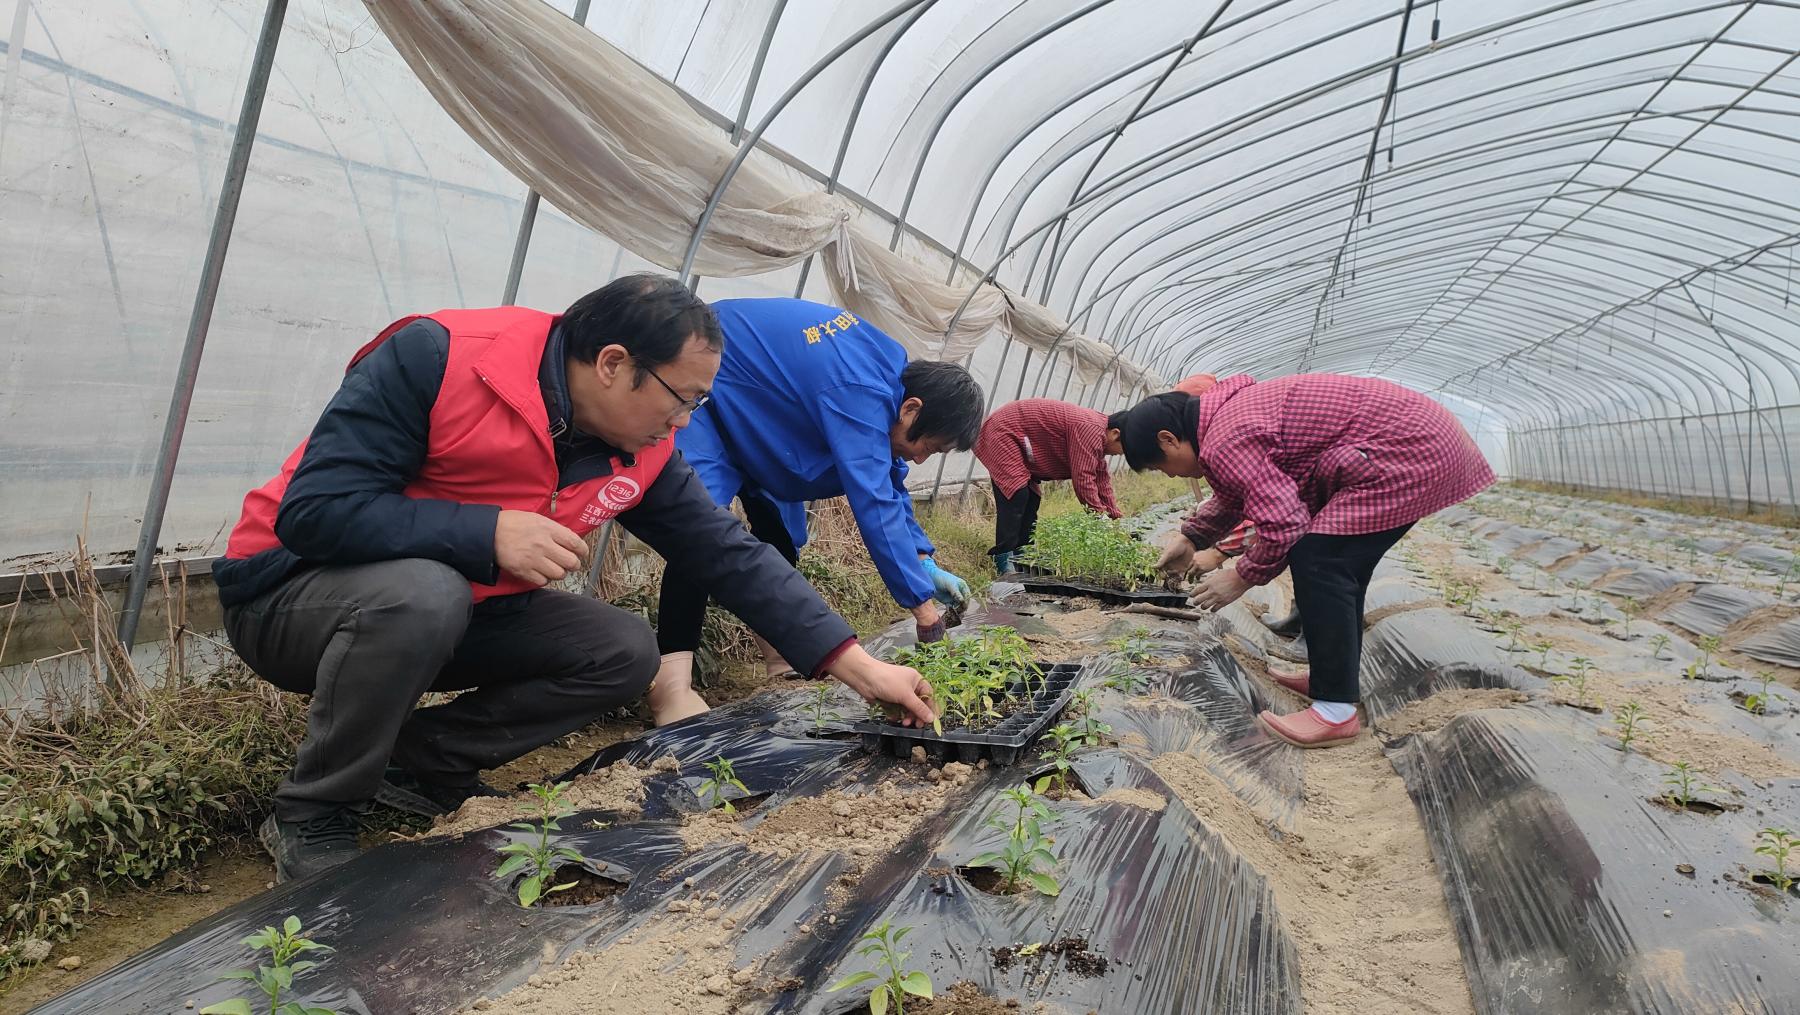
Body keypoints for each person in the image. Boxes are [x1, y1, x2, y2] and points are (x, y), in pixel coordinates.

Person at [213, 275, 937, 882]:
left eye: (699, 404)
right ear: (614, 364)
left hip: (451, 608)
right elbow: (315, 511)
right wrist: (486, 532)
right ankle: (314, 809)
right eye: (681, 397)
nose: (686, 420)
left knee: (622, 650)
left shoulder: (640, 447)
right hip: (291, 593)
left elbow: (727, 553)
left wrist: (858, 665)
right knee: (423, 594)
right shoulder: (440, 358)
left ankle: (417, 762)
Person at [650, 298, 984, 724]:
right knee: (699, 531)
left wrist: (922, 559)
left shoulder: (887, 386)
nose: (919, 459)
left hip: (765, 412)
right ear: (912, 409)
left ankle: (779, 655)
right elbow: (873, 502)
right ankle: (671, 685)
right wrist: (923, 610)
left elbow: (889, 485)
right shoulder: (861, 390)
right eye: (928, 447)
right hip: (715, 392)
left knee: (778, 535)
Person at [1118, 373, 1494, 747]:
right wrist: (1191, 537)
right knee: (1338, 565)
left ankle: (1335, 713)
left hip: (1411, 451)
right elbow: (1240, 493)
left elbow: (1285, 525)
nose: (1169, 475)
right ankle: (1328, 679)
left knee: (1320, 559)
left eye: (1160, 466)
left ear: (1168, 439)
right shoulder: (1224, 421)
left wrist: (1241, 577)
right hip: (1413, 442)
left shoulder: (1225, 438)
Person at [972, 398, 1127, 574]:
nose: (1122, 454)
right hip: (1003, 431)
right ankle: (1003, 558)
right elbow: (1083, 479)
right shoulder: (1090, 429)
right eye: (1124, 448)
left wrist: (1115, 517)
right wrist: (1099, 516)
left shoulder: (1098, 435)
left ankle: (1022, 554)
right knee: (1017, 495)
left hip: (1019, 438)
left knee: (1032, 497)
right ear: (1115, 434)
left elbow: (1101, 480)